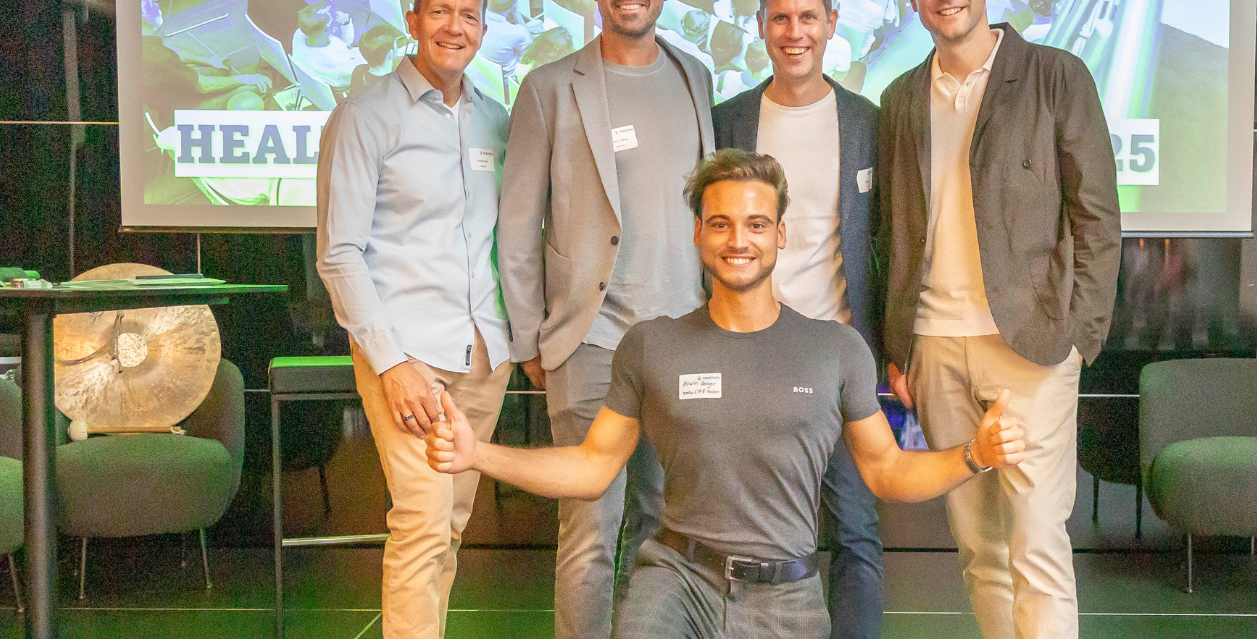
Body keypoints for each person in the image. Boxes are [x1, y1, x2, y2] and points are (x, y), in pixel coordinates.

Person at [433, 149, 1026, 639]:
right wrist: (476, 454)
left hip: (786, 597)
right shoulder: (651, 346)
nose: (737, 239)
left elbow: (887, 470)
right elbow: (592, 467)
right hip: (675, 583)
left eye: (756, 224)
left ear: (780, 234)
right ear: (698, 232)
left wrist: (975, 454)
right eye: (720, 223)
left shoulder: (836, 349)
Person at [875, 0, 1121, 639]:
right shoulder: (900, 97)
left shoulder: (1055, 75)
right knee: (980, 550)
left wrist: (1079, 335)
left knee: (1037, 544)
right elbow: (892, 230)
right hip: (935, 349)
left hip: (1030, 347)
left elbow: (1097, 215)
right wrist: (898, 348)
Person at [499, 0, 717, 639]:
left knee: (662, 530)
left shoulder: (695, 77)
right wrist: (529, 335)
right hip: (590, 343)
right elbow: (518, 223)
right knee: (591, 535)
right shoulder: (549, 87)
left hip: (683, 342)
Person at [315, 0, 515, 639]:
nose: (454, 27)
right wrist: (391, 363)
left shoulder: (495, 121)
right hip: (407, 356)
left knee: (450, 527)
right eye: (439, 11)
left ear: (483, 29)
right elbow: (339, 252)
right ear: (412, 19)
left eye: (468, 15)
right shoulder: (365, 116)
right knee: (423, 524)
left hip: (483, 353)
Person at [711, 0, 885, 639]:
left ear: (831, 23)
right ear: (759, 26)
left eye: (808, 16)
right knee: (741, 533)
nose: (794, 31)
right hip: (744, 356)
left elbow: (888, 242)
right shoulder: (728, 120)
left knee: (856, 531)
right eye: (779, 17)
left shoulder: (867, 122)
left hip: (838, 359)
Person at [292, 4, 366, 90]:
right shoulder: (338, 60)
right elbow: (359, 71)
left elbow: (344, 43)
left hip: (319, 76)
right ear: (327, 29)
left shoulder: (299, 33)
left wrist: (345, 23)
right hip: (349, 77)